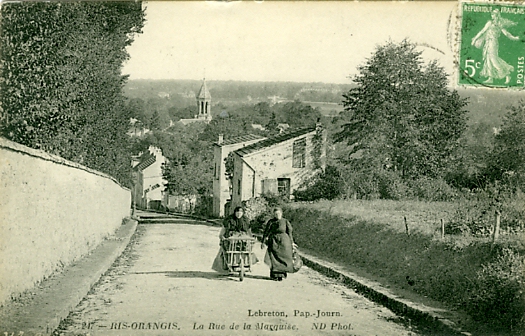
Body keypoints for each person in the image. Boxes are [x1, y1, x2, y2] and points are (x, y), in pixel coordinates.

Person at [471, 9, 519, 84]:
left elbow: (506, 34)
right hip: (488, 42)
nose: (492, 15)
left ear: (497, 15)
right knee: (488, 59)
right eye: (492, 14)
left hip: (493, 43)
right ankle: (491, 78)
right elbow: (482, 31)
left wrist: (514, 38)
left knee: (494, 59)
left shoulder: (499, 24)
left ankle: (507, 74)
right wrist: (474, 39)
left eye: (493, 14)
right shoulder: (490, 23)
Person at [212, 206, 257, 273]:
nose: (239, 214)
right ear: (235, 213)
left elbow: (249, 231)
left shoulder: (246, 220)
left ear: (242, 213)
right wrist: (222, 236)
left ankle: (246, 262)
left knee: (247, 247)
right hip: (231, 236)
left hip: (243, 236)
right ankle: (228, 264)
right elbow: (223, 230)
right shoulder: (229, 220)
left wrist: (252, 237)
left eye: (240, 213)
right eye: (237, 212)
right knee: (227, 248)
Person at [261, 207, 294, 281]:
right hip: (273, 241)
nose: (277, 215)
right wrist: (263, 241)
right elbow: (266, 232)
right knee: (273, 257)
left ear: (281, 214)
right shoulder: (271, 222)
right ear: (274, 214)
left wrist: (292, 243)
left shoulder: (285, 221)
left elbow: (289, 233)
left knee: (283, 257)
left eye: (278, 213)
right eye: (275, 214)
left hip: (284, 241)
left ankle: (282, 275)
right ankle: (274, 275)